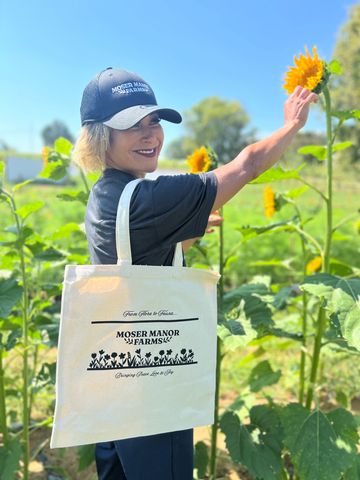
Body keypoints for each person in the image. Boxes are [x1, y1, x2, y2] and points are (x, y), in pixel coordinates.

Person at [73, 67, 318, 480]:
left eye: (154, 122)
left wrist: (181, 240)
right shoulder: (147, 199)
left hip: (113, 372)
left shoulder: (105, 195)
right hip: (155, 374)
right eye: (133, 126)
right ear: (100, 136)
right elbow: (248, 164)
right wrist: (292, 124)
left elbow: (130, 257)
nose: (150, 135)